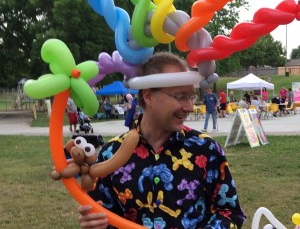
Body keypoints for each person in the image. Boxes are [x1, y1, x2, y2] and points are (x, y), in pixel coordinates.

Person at [78, 52, 246, 229]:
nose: (190, 107)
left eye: (191, 97)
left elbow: (230, 212)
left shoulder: (206, 149)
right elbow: (105, 214)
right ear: (148, 96)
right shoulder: (110, 154)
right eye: (181, 96)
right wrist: (96, 224)